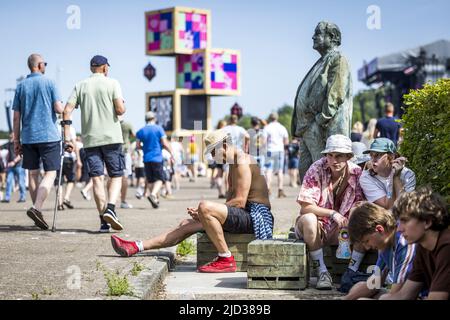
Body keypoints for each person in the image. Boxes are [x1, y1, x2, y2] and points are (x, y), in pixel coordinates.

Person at [110, 130, 274, 273]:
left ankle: (226, 258)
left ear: (223, 145)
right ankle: (136, 246)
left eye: (212, 152)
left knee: (205, 206)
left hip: (256, 216)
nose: (211, 157)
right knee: (185, 224)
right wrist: (203, 215)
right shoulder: (233, 163)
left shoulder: (243, 160)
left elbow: (239, 202)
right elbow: (232, 204)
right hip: (245, 214)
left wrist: (205, 211)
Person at [294, 135, 366, 290]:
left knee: (363, 217)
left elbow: (364, 205)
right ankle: (322, 272)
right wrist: (333, 213)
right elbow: (305, 207)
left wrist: (352, 214)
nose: (334, 160)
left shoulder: (358, 173)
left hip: (346, 228)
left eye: (339, 156)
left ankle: (352, 271)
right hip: (319, 225)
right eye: (330, 155)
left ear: (348, 156)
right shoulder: (316, 168)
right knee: (308, 219)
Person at [63, 55, 126, 233]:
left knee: (97, 178)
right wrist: (123, 107)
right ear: (105, 67)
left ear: (92, 68)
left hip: (90, 140)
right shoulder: (113, 83)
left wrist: (68, 137)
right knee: (115, 175)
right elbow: (120, 109)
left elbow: (67, 111)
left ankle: (103, 223)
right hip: (112, 138)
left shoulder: (80, 85)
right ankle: (111, 209)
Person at [292, 21, 353, 182]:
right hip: (308, 128)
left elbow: (336, 93)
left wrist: (321, 119)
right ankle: (311, 205)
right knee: (307, 173)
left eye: (318, 33)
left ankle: (325, 206)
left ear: (332, 37)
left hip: (322, 128)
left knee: (324, 174)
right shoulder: (323, 60)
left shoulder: (338, 59)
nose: (313, 37)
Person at [12, 54, 64, 229]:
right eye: (45, 64)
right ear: (40, 65)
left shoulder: (21, 86)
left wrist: (16, 140)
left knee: (32, 174)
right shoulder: (49, 83)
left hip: (28, 137)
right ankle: (37, 208)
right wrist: (67, 107)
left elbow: (16, 117)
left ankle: (37, 212)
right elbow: (58, 108)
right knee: (51, 173)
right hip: (48, 135)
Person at [379, 187, 450, 300]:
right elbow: (405, 295)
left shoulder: (446, 247)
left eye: (405, 221)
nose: (399, 229)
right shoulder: (423, 247)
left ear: (427, 222)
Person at [344, 202, 416, 300]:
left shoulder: (404, 241)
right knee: (360, 286)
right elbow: (374, 283)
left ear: (379, 229)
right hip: (402, 292)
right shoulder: (385, 244)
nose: (367, 247)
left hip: (421, 295)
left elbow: (397, 294)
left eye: (367, 241)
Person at [359, 138, 415, 210]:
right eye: (371, 155)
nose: (373, 160)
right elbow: (387, 206)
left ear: (391, 157)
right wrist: (394, 177)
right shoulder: (366, 177)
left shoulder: (407, 174)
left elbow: (405, 206)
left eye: (377, 155)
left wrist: (396, 178)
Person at [136, 111, 174, 209]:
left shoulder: (140, 131)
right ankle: (153, 195)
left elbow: (138, 146)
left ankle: (155, 199)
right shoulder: (159, 129)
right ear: (154, 119)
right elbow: (165, 143)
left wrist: (145, 148)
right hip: (157, 157)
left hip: (146, 158)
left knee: (151, 180)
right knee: (160, 179)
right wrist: (171, 153)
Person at [264, 112, 289, 198]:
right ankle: (280, 190)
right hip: (279, 151)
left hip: (270, 150)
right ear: (277, 118)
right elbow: (286, 141)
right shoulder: (282, 127)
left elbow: (264, 141)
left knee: (269, 170)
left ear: (270, 118)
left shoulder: (267, 127)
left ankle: (267, 188)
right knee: (280, 171)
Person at [55, 122, 78, 210]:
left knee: (59, 181)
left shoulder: (55, 127)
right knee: (71, 180)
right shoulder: (70, 128)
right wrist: (77, 157)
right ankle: (66, 198)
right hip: (69, 157)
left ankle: (60, 203)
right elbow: (74, 143)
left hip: (57, 157)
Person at [2, 133, 26, 203]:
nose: (10, 137)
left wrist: (14, 162)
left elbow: (20, 155)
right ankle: (7, 198)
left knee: (21, 182)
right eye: (10, 136)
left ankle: (23, 197)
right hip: (11, 167)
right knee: (9, 181)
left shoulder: (19, 144)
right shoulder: (9, 144)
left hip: (19, 166)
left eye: (12, 135)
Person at [119, 116, 135, 209]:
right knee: (124, 176)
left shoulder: (111, 123)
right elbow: (133, 135)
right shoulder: (127, 124)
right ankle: (123, 201)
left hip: (112, 151)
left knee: (112, 176)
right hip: (124, 150)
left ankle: (110, 200)